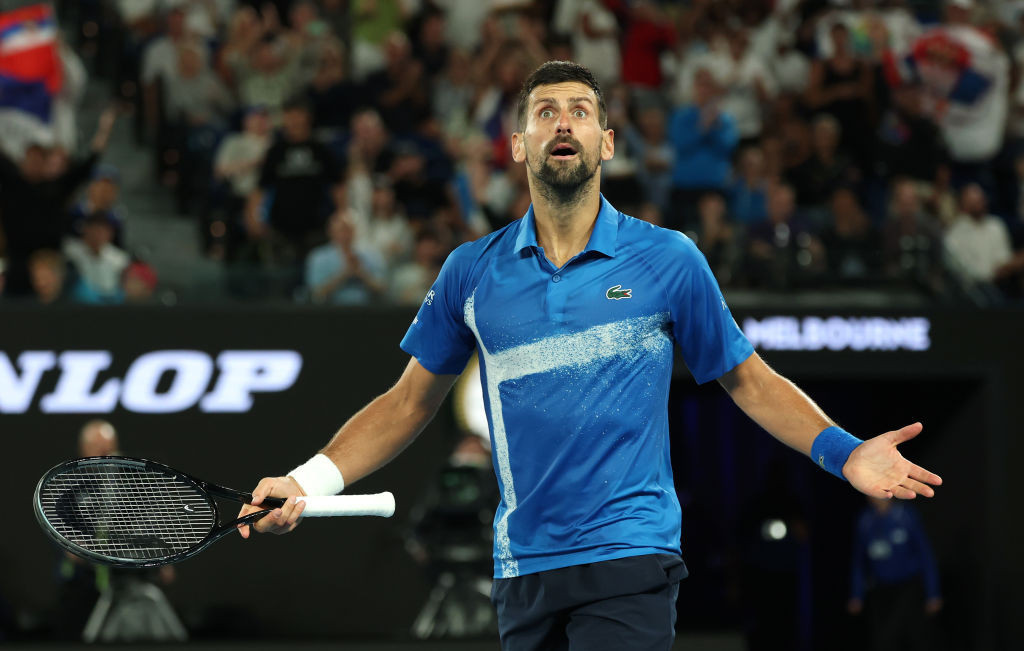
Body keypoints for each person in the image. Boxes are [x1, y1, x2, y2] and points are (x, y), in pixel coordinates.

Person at [237, 62, 942, 651]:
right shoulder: (469, 272)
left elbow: (749, 381)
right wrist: (304, 480)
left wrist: (845, 453)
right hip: (524, 570)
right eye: (545, 112)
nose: (563, 123)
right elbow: (406, 404)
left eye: (580, 111)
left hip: (629, 558)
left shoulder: (669, 259)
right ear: (518, 145)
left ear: (606, 143)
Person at [847, 496, 942, 651]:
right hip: (881, 588)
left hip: (908, 587)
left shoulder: (906, 515)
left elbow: (925, 554)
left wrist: (933, 592)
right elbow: (858, 561)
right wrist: (856, 594)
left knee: (907, 634)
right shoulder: (865, 520)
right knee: (882, 638)